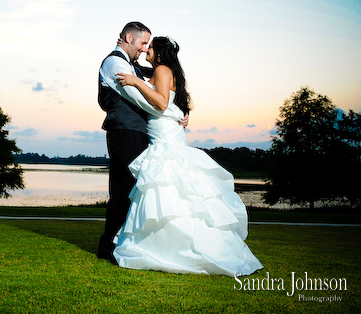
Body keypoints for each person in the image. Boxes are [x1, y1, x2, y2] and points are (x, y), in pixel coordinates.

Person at [113, 36, 263, 276]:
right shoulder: (167, 71)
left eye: (150, 47)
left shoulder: (162, 69)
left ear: (160, 53)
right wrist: (183, 112)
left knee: (167, 183)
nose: (146, 51)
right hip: (166, 131)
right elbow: (178, 101)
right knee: (173, 187)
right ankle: (169, 244)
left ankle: (173, 247)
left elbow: (161, 103)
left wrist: (134, 81)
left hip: (164, 134)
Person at [97, 22, 188, 264]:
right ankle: (108, 247)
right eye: (142, 43)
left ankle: (123, 243)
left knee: (135, 190)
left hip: (139, 133)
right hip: (124, 132)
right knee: (123, 190)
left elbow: (155, 89)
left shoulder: (131, 66)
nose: (145, 49)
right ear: (129, 37)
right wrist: (173, 113)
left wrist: (179, 110)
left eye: (148, 45)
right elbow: (144, 101)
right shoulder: (115, 63)